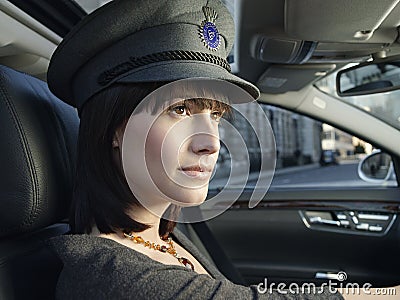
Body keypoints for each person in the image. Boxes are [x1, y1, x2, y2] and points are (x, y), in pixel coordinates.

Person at [47, 0, 344, 299]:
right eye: (179, 109)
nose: (212, 143)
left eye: (215, 115)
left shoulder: (159, 234)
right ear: (113, 129)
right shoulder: (119, 279)